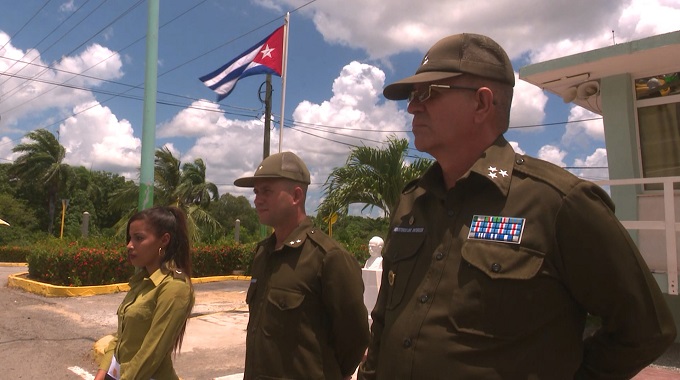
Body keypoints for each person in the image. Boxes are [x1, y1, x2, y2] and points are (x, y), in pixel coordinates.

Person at [358, 33, 677, 379]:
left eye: (427, 93)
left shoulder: (558, 203)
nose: (412, 106)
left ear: (482, 104)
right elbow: (385, 319)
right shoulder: (412, 202)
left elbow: (645, 328)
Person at [234, 151, 370, 380]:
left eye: (266, 191)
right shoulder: (263, 254)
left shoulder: (327, 257)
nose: (257, 199)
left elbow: (355, 337)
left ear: (296, 196)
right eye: (256, 192)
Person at [95, 206, 195, 380]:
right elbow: (121, 336)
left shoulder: (174, 287)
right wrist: (102, 372)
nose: (129, 245)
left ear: (164, 240)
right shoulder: (141, 282)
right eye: (130, 238)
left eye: (138, 238)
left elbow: (152, 352)